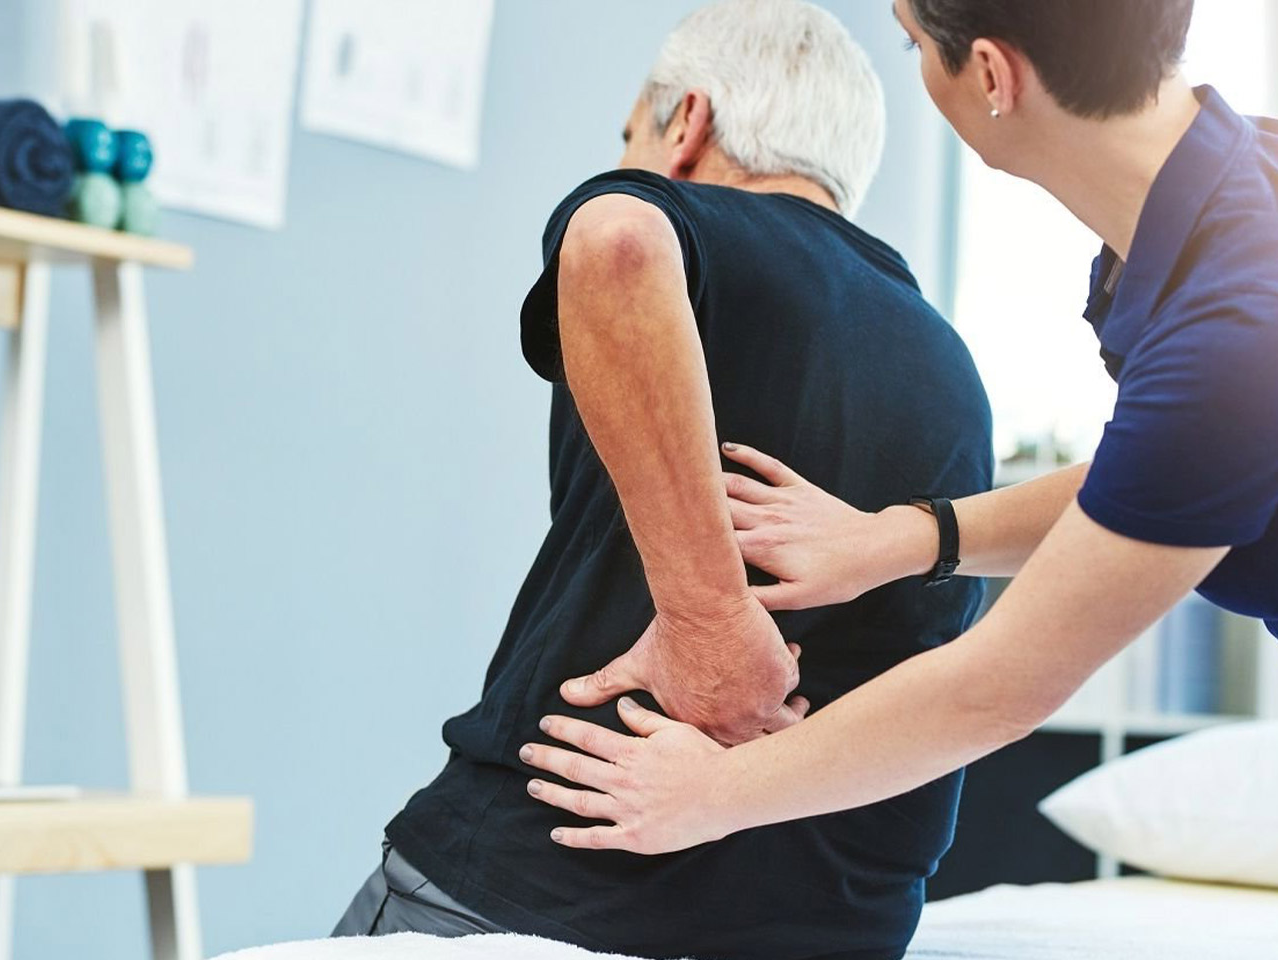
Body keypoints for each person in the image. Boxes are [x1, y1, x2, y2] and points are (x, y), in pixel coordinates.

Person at [519, 0, 1278, 863]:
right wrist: (908, 538)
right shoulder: (1255, 188)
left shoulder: (1244, 319)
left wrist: (709, 794)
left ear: (991, 75)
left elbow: (1001, 687)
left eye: (913, 43)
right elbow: (1163, 477)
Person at [333, 2, 994, 958]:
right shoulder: (952, 365)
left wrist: (709, 620)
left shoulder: (683, 230)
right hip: (838, 923)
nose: (629, 161)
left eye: (629, 138)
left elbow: (614, 242)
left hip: (546, 890)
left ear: (687, 122)